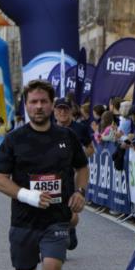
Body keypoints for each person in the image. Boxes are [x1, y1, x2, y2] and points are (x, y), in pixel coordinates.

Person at [0, 80, 88, 270]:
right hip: (23, 222)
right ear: (27, 105)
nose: (38, 107)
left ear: (51, 104)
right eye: (33, 102)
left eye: (43, 102)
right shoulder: (14, 139)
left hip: (56, 221)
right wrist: (28, 195)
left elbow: (82, 167)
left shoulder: (67, 137)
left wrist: (80, 192)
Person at [53, 97, 93, 251]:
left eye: (65, 109)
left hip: (73, 175)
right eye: (59, 109)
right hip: (55, 176)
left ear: (71, 111)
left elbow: (91, 149)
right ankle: (56, 240)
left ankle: (69, 228)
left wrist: (78, 156)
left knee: (71, 211)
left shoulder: (80, 128)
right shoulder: (49, 130)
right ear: (54, 111)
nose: (62, 112)